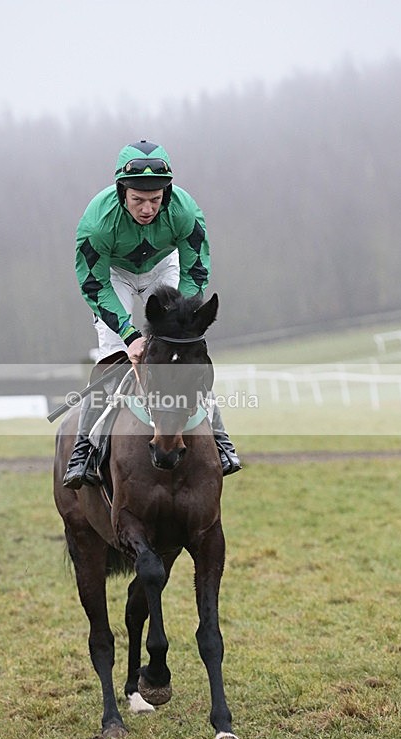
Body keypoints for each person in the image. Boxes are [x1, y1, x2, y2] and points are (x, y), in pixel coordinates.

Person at [63, 140, 240, 489]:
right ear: (122, 192)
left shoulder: (186, 212)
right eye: (138, 200)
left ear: (167, 193)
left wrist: (182, 322)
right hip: (113, 276)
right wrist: (130, 337)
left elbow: (195, 270)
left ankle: (220, 439)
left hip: (163, 267)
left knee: (185, 354)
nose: (147, 209)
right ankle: (83, 448)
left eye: (156, 200)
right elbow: (94, 285)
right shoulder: (97, 224)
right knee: (112, 356)